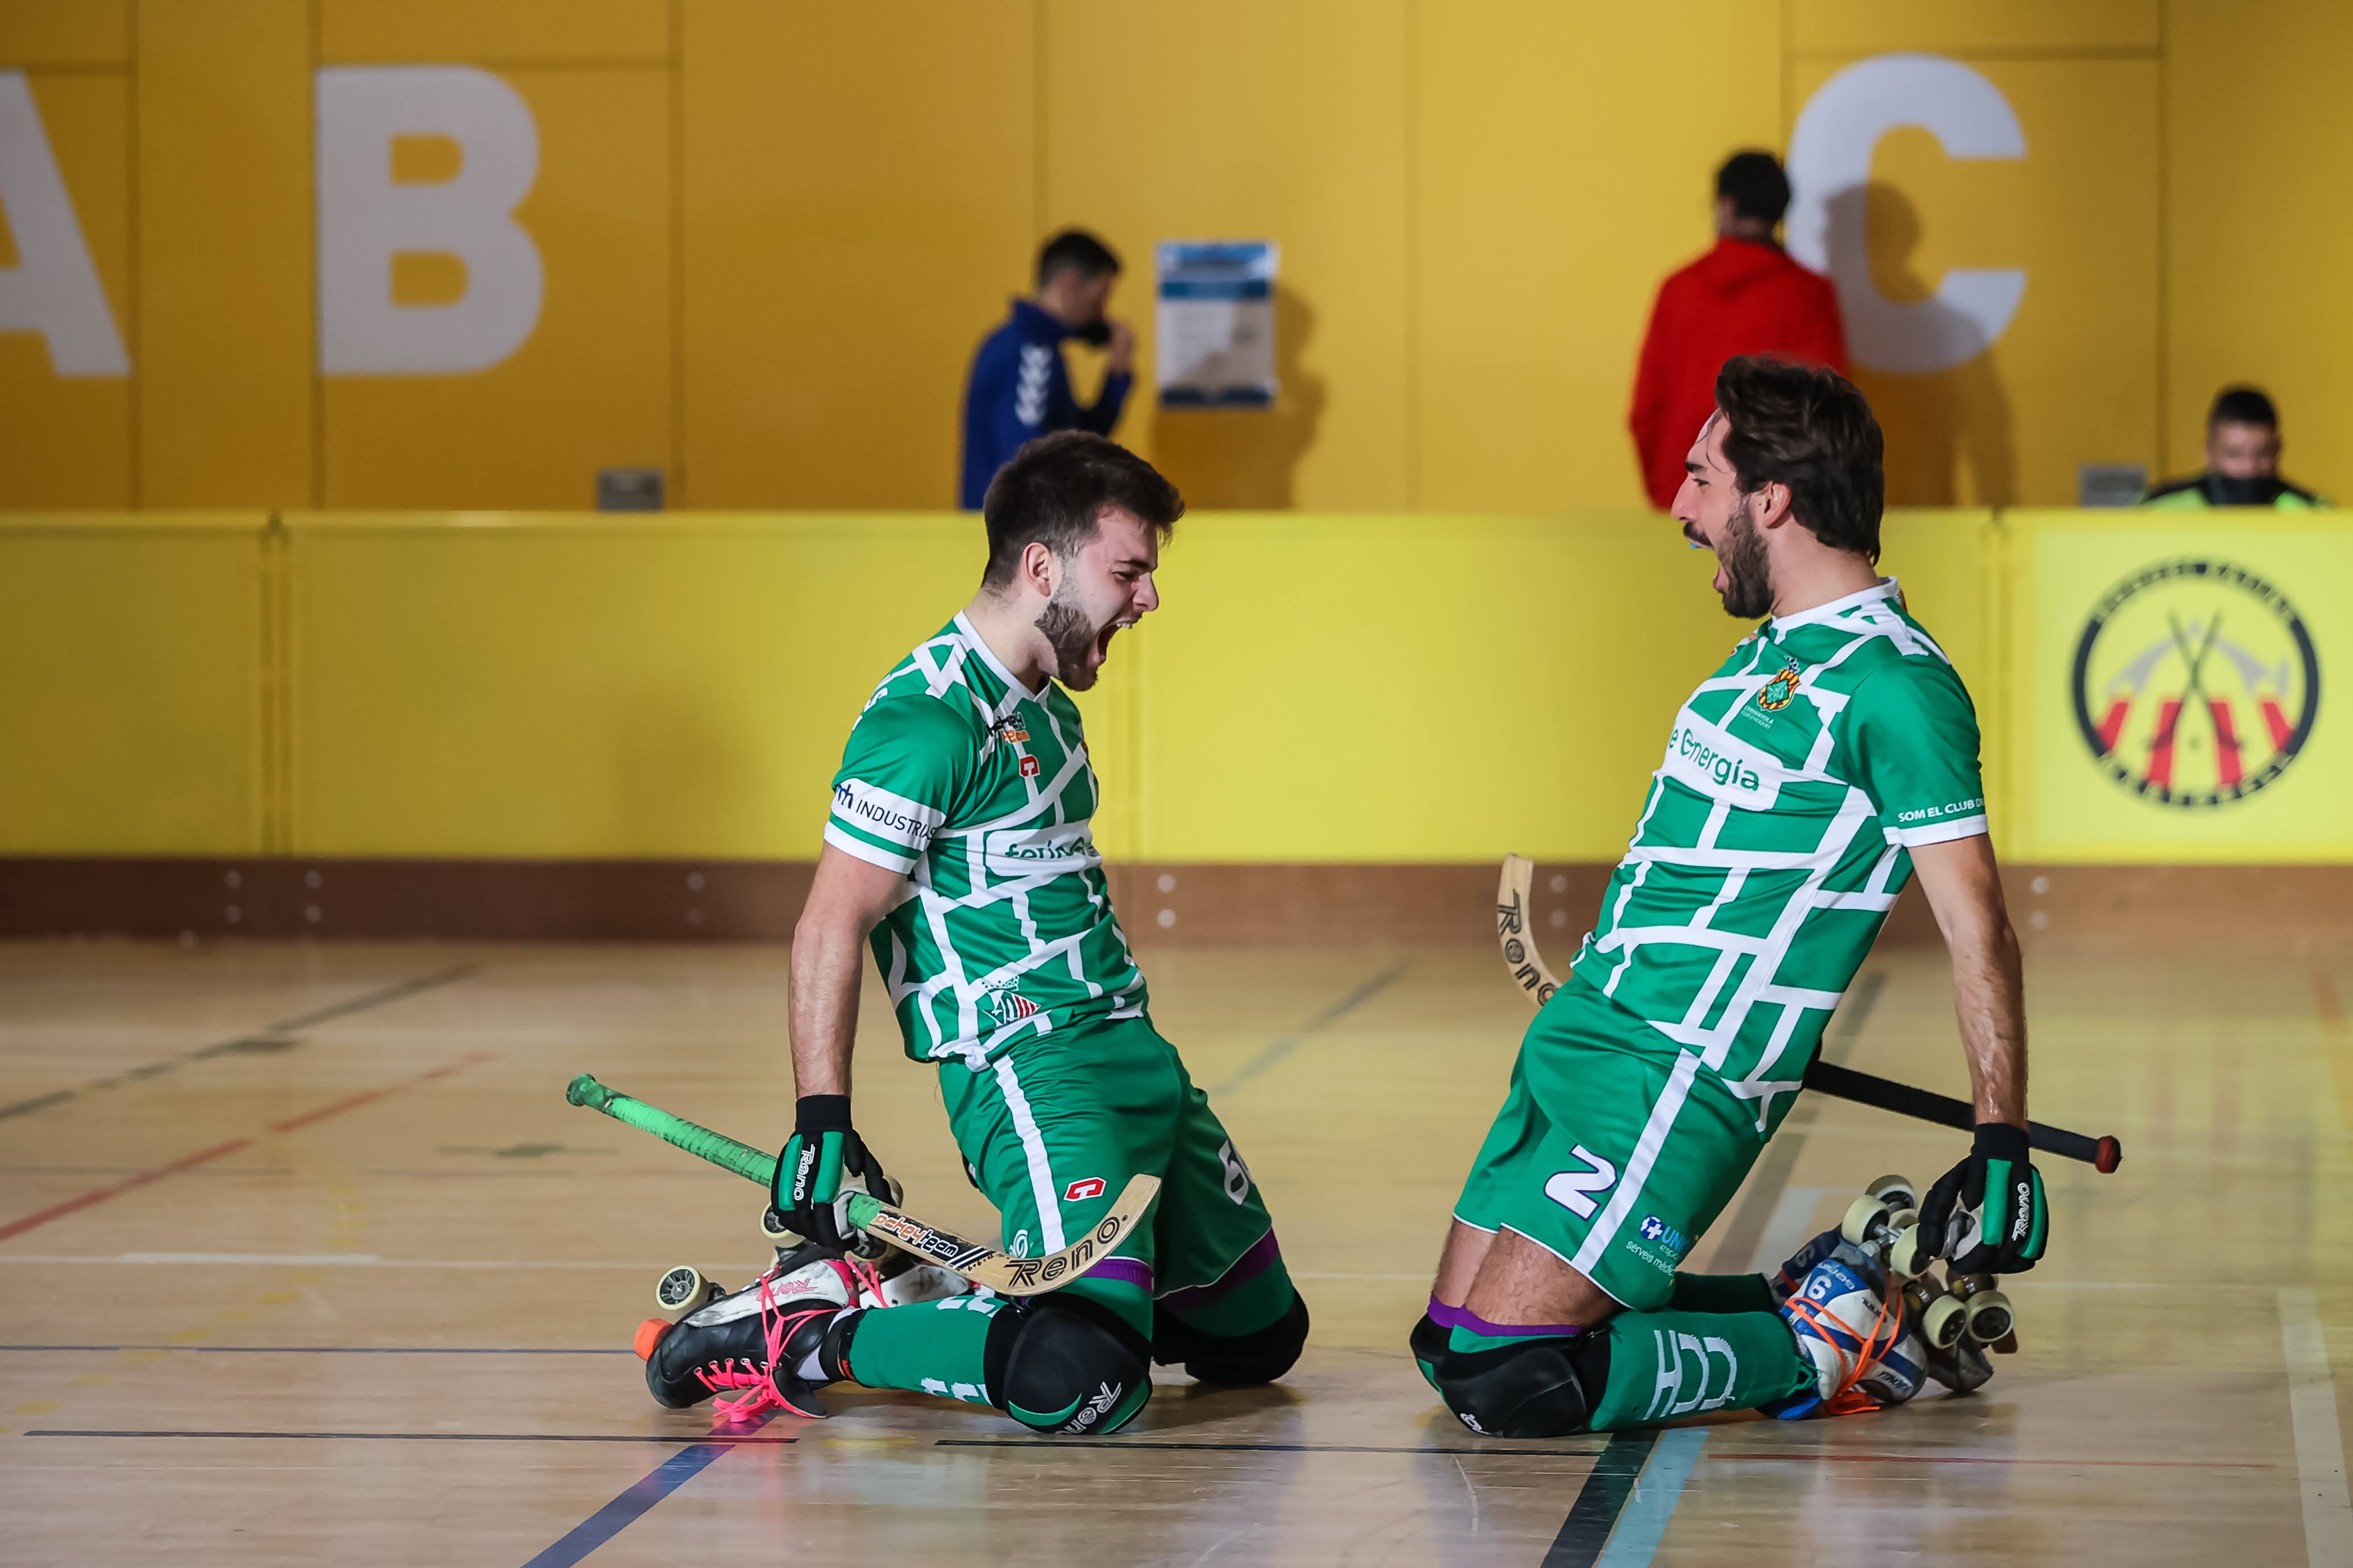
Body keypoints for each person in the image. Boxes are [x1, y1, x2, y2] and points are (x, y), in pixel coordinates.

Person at [1415, 356, 2049, 1438]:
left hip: (1681, 1069)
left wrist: (2001, 1141)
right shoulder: (1759, 661)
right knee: (1447, 1341)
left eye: (1701, 477)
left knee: (1506, 1373)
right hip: (1583, 1041)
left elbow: (1977, 927)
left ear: (1772, 497)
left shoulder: (1897, 686)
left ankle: (1832, 1341)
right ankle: (1832, 1294)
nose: (1681, 505)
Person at [638, 431, 1307, 1435]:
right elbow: (830, 922)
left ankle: (957, 1290)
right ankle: (806, 1334)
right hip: (1039, 1075)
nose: (1148, 598)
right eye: (1128, 571)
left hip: (1142, 1065)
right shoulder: (924, 721)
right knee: (1087, 1376)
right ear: (1043, 566)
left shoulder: (1048, 711)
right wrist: (821, 1117)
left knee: (1258, 1338)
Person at [1629, 152, 1848, 511]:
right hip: (1775, 500)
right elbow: (1828, 411)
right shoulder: (1809, 294)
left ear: (1726, 206)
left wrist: (1664, 489)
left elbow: (1645, 411)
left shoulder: (1679, 289)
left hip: (1685, 489)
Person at [959, 231, 1137, 509]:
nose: (1103, 313)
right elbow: (1025, 455)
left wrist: (1117, 376)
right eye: (1100, 297)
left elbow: (1079, 436)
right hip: (1014, 536)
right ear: (1069, 286)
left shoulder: (1038, 347)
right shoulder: (1032, 351)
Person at [2142, 386, 2323, 509]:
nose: (2249, 467)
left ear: (2278, 449)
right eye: (2234, 454)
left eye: (2262, 454)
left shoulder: (2314, 514)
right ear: (2209, 451)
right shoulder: (2158, 509)